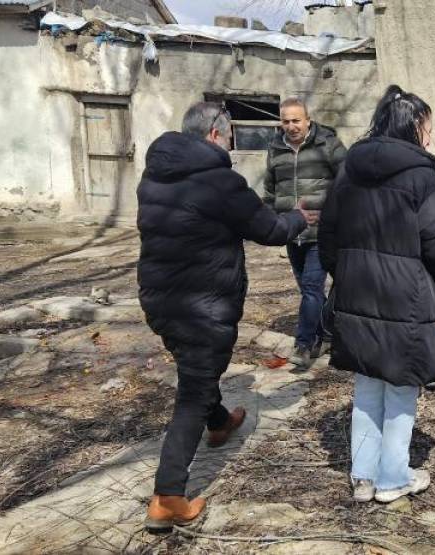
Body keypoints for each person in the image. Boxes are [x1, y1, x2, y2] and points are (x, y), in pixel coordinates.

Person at [138, 102, 307, 531]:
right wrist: (299, 217)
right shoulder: (219, 182)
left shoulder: (155, 176)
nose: (231, 143)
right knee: (192, 394)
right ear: (215, 134)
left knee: (197, 373)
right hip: (203, 306)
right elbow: (268, 229)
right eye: (230, 135)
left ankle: (220, 423)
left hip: (160, 302)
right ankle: (169, 497)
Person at [318, 85, 435, 504]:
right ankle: (392, 478)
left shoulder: (349, 170)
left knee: (367, 381)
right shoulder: (422, 178)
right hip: (409, 300)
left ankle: (362, 475)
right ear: (415, 127)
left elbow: (327, 237)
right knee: (402, 385)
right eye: (428, 127)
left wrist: (347, 273)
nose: (431, 135)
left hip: (357, 294)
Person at [262, 97, 347, 368]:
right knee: (309, 292)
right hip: (291, 231)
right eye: (285, 121)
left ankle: (303, 344)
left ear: (308, 120)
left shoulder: (328, 145)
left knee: (312, 286)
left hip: (320, 232)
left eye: (296, 120)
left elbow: (348, 182)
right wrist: (270, 221)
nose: (291, 126)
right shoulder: (275, 148)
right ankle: (328, 334)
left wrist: (333, 214)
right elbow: (270, 190)